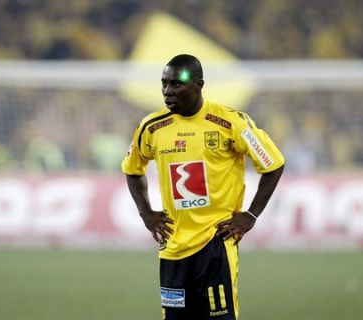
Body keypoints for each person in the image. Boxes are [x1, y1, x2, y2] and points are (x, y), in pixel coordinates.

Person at [121, 54, 285, 320]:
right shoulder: (152, 127)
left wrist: (250, 216)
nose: (167, 91)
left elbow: (273, 164)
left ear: (198, 84)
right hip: (173, 246)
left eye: (176, 84)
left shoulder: (231, 122)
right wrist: (146, 213)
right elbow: (132, 169)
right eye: (164, 84)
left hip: (216, 245)